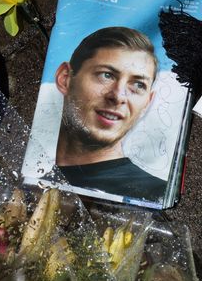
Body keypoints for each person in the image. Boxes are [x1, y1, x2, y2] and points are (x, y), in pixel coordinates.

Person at [53, 26, 167, 201]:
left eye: (138, 85)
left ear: (147, 103)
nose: (118, 96)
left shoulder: (155, 194)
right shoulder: (30, 170)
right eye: (106, 75)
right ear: (65, 78)